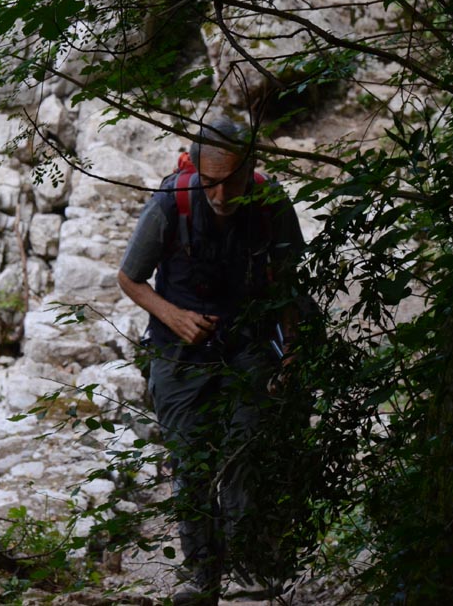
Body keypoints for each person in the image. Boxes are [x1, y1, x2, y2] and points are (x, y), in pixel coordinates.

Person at [117, 116, 305, 606]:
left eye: (233, 181)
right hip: (178, 349)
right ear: (194, 169)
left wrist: (292, 352)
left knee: (246, 454)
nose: (221, 196)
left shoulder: (271, 204)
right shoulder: (169, 205)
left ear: (252, 169)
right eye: (211, 182)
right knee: (190, 461)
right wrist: (173, 315)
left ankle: (248, 569)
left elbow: (287, 284)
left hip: (249, 343)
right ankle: (202, 576)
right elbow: (130, 278)